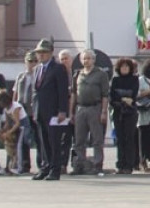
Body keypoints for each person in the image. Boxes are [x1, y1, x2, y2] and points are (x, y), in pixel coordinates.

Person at [30, 43, 70, 180]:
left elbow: (63, 91)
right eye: (39, 52)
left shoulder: (58, 68)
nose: (41, 54)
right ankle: (45, 167)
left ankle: (55, 169)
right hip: (40, 111)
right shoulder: (36, 69)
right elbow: (35, 91)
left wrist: (62, 111)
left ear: (51, 53)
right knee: (43, 142)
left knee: (54, 141)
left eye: (44, 52)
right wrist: (34, 110)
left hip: (54, 112)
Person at [72, 50, 109, 175]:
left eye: (88, 58)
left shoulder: (101, 74)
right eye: (84, 59)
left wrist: (104, 111)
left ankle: (97, 165)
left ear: (93, 60)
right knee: (79, 139)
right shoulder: (78, 74)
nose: (86, 61)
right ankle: (80, 164)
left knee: (97, 138)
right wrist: (71, 111)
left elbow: (105, 95)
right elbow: (73, 93)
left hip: (95, 107)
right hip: (81, 108)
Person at [109, 57, 143, 174]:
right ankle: (120, 164)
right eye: (122, 66)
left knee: (129, 138)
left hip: (130, 112)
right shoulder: (115, 80)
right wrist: (123, 98)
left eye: (127, 66)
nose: (124, 68)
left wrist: (123, 97)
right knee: (120, 138)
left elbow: (133, 95)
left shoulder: (134, 79)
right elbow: (113, 96)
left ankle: (129, 165)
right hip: (118, 112)